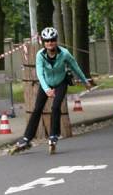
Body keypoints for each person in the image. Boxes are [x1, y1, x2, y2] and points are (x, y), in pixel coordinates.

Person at [11, 26, 94, 155]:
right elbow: (39, 73)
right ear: (44, 42)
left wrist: (85, 81)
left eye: (52, 40)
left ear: (56, 41)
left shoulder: (64, 53)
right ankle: (27, 138)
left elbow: (75, 67)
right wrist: (46, 89)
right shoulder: (40, 55)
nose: (50, 43)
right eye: (47, 41)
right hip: (46, 84)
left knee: (56, 107)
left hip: (61, 82)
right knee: (37, 109)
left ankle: (53, 136)